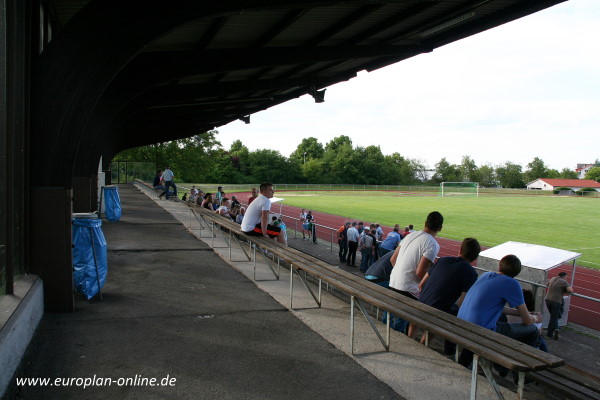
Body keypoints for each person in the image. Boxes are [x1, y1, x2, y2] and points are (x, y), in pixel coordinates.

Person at [457, 254, 542, 367]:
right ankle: (523, 370)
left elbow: (495, 307)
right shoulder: (512, 284)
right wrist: (535, 318)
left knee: (498, 320)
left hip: (462, 324)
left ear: (499, 265)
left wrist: (521, 313)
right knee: (532, 330)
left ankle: (500, 365)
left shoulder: (485, 275)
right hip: (481, 332)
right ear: (517, 272)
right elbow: (527, 321)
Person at [418, 238, 481, 354]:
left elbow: (421, 284)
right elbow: (463, 302)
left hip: (420, 302)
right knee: (453, 314)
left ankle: (418, 340)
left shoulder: (442, 260)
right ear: (475, 257)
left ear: (460, 249)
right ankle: (449, 352)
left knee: (442, 308)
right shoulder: (471, 273)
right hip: (437, 311)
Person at [389, 211, 444, 338]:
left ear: (425, 223)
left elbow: (393, 260)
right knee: (429, 305)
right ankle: (410, 339)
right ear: (440, 228)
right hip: (407, 288)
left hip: (392, 282)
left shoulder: (409, 236)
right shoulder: (432, 244)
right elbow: (420, 272)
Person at [545, 271, 573, 340]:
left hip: (547, 300)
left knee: (554, 317)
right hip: (556, 301)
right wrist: (566, 289)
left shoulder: (552, 278)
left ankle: (556, 329)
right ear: (563, 276)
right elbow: (570, 290)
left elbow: (547, 284)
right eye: (566, 277)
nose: (567, 278)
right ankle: (549, 333)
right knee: (554, 318)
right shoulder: (563, 282)